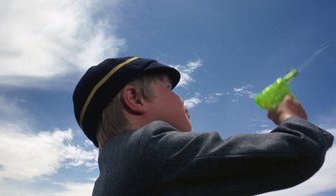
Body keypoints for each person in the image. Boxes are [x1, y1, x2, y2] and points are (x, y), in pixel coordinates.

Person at [73, 56, 333, 196]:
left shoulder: (109, 177)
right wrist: (293, 119)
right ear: (135, 99)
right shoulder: (149, 150)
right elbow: (300, 150)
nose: (181, 99)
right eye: (168, 88)